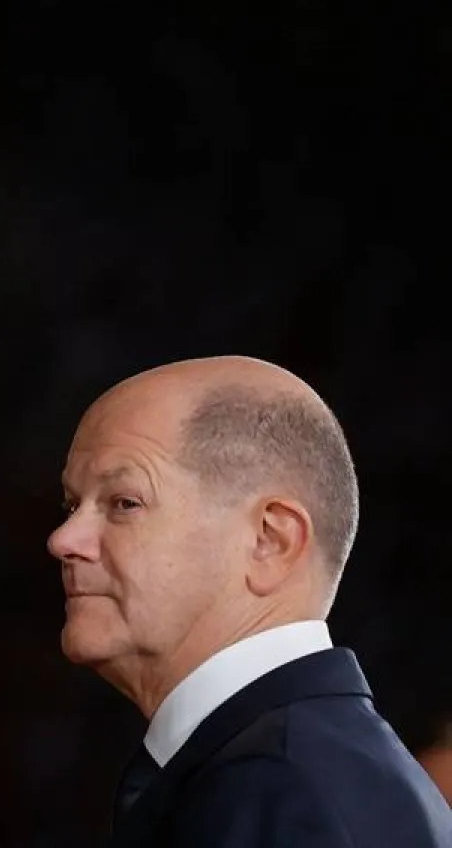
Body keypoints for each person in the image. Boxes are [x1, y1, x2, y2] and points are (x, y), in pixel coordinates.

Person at [49, 356, 452, 846]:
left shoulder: (286, 795)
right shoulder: (295, 771)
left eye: (123, 503)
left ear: (270, 540)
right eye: (73, 504)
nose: (64, 538)